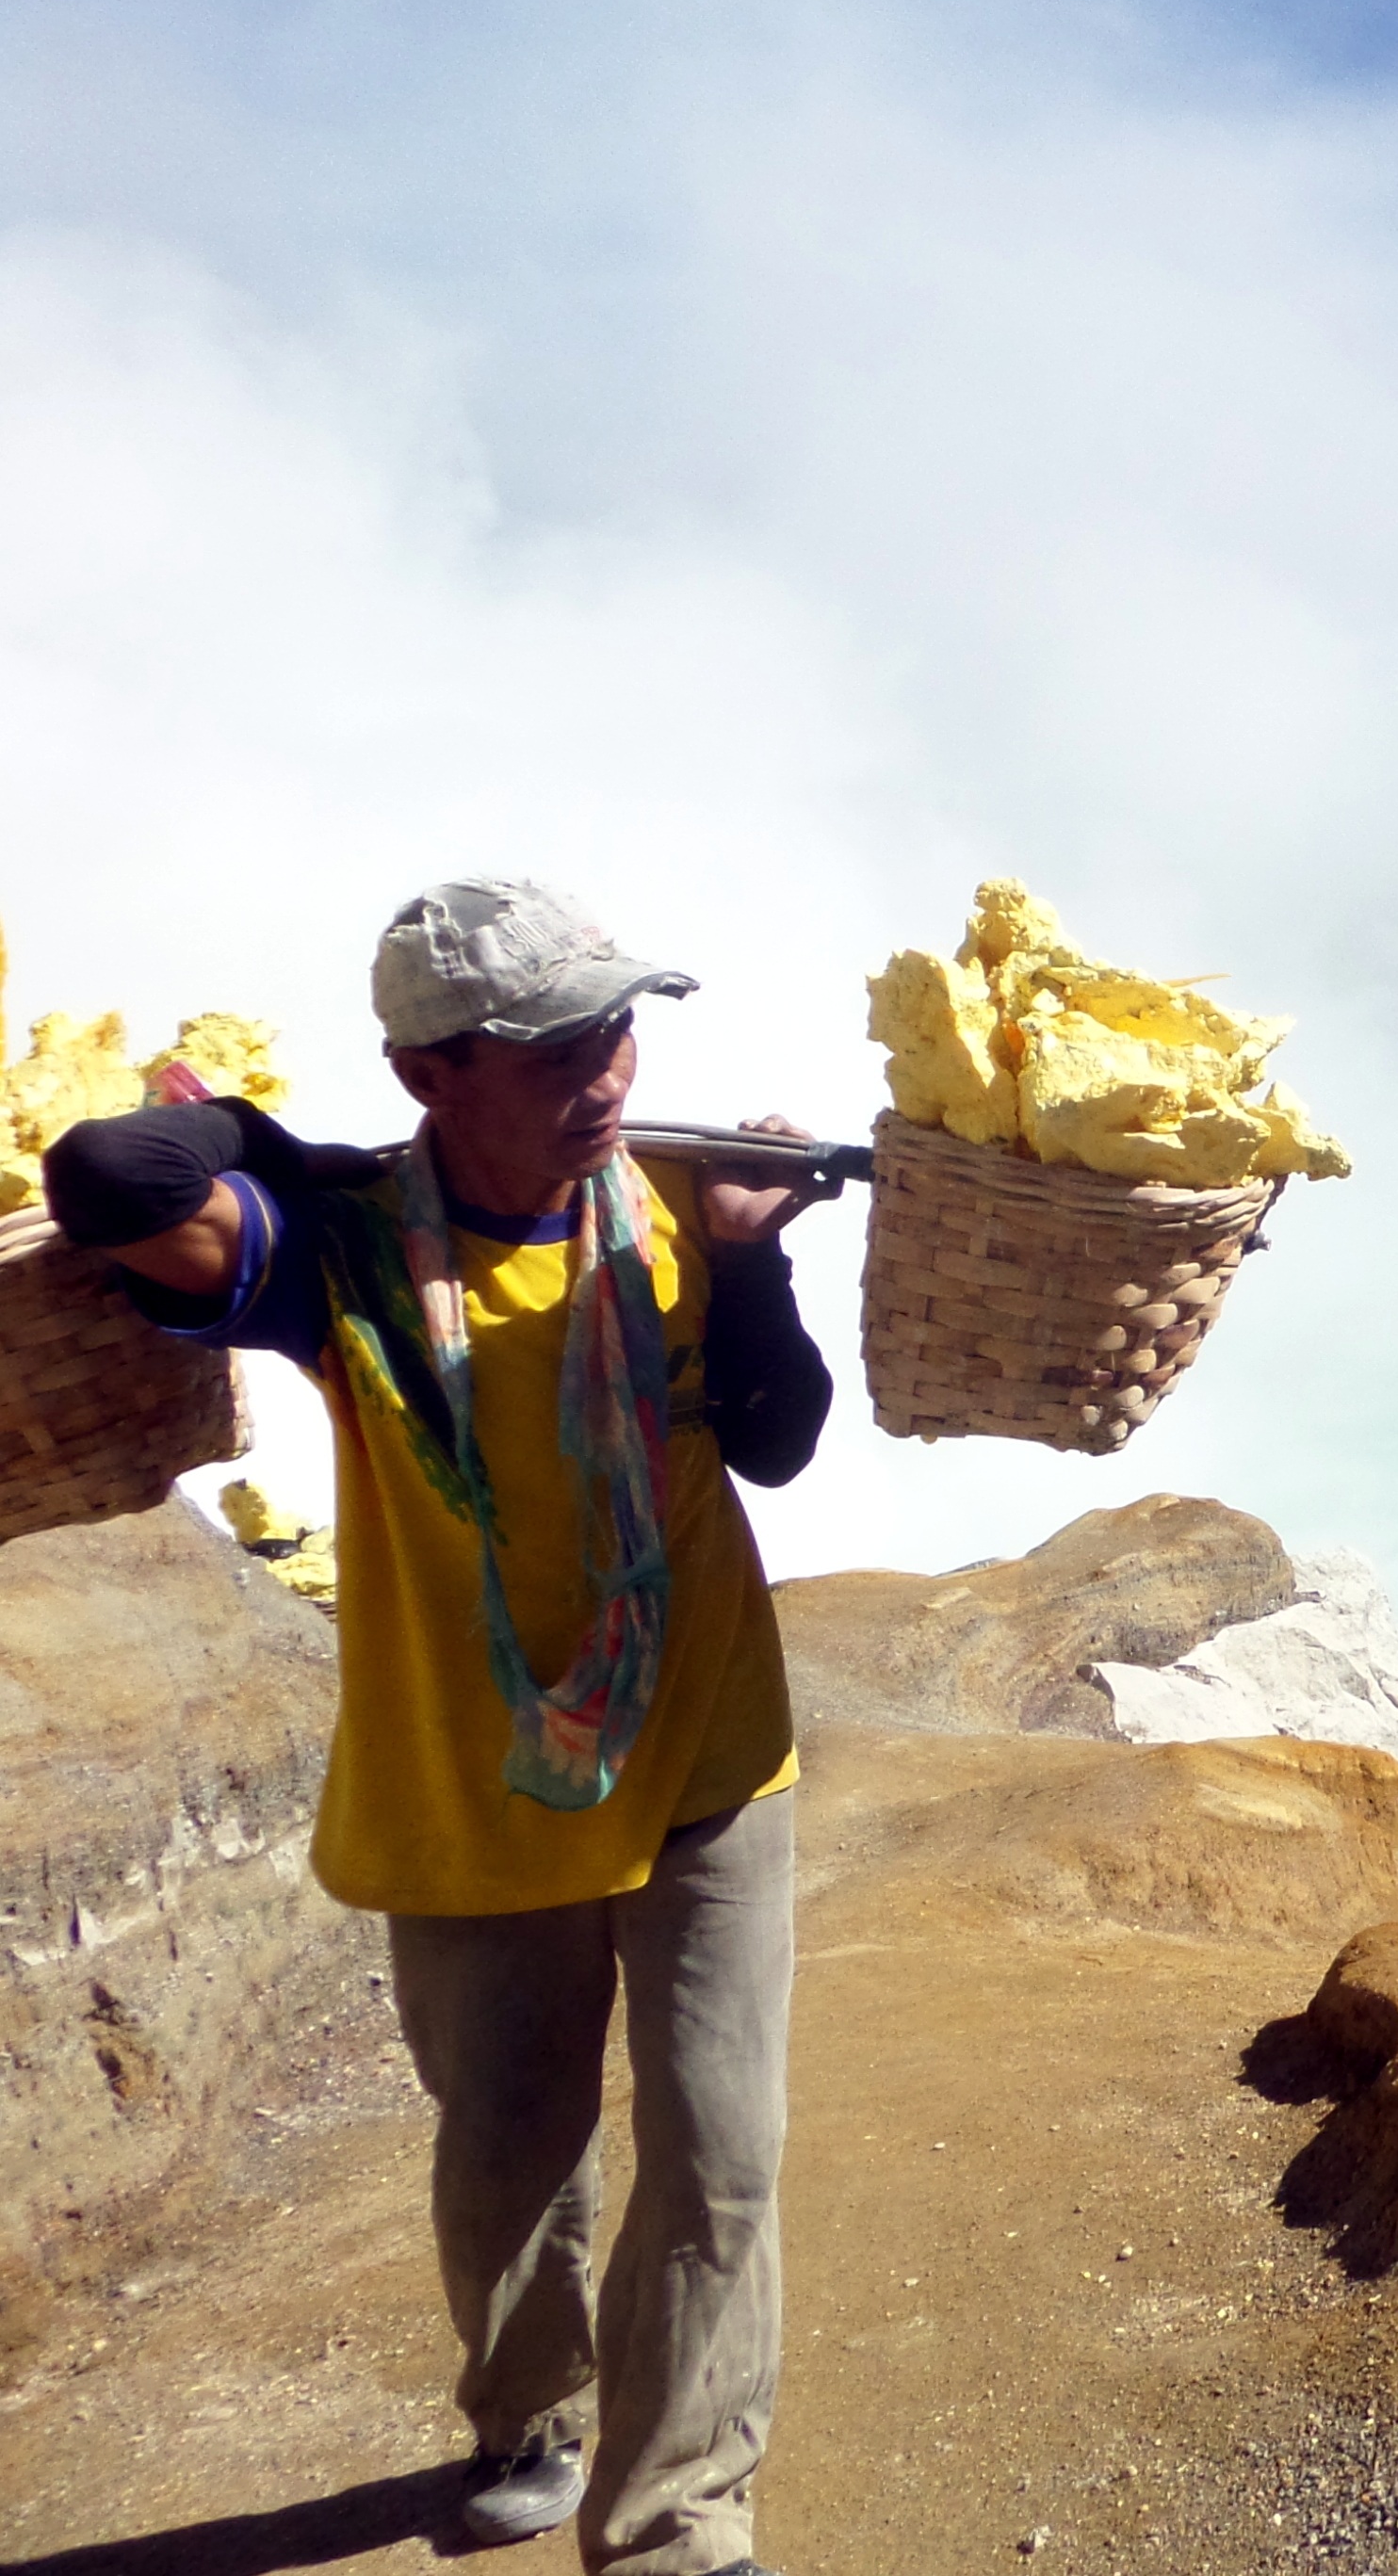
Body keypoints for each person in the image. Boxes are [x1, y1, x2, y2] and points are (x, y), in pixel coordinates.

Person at [46, 878, 835, 2574]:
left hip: (705, 1757)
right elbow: (112, 1180)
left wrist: (757, 1264)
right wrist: (286, 1151)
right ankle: (525, 2411)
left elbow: (777, 1447)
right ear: (430, 1073)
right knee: (506, 2169)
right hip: (472, 1786)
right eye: (553, 1046)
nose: (606, 1073)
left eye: (618, 1027)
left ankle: (679, 2522)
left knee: (722, 2164)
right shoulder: (336, 1254)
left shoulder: (683, 1205)